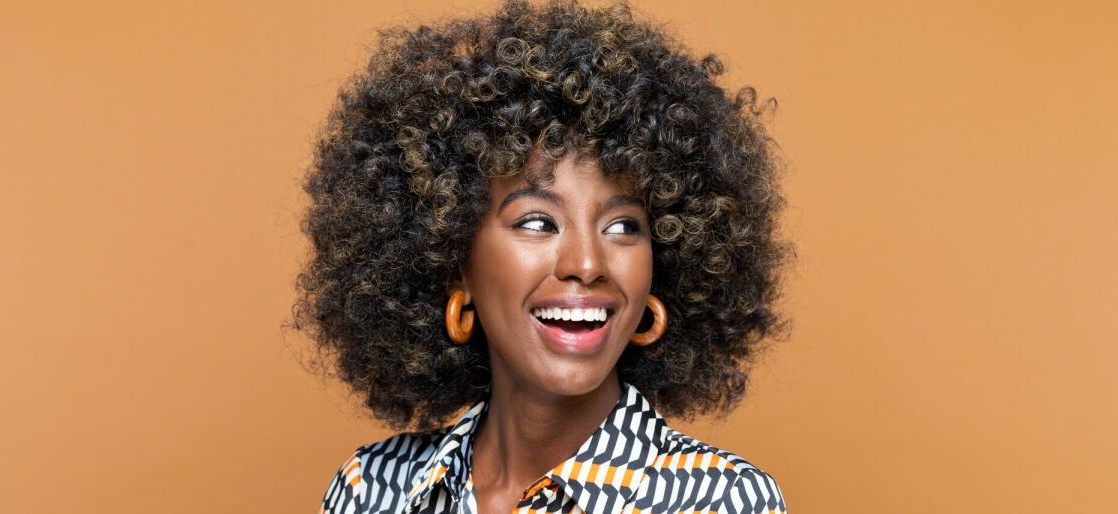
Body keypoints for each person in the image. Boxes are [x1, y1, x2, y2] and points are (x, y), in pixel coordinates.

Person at [293, 0, 794, 512]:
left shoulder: (718, 501)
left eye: (623, 226)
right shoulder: (373, 490)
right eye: (537, 222)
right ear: (453, 260)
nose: (586, 263)